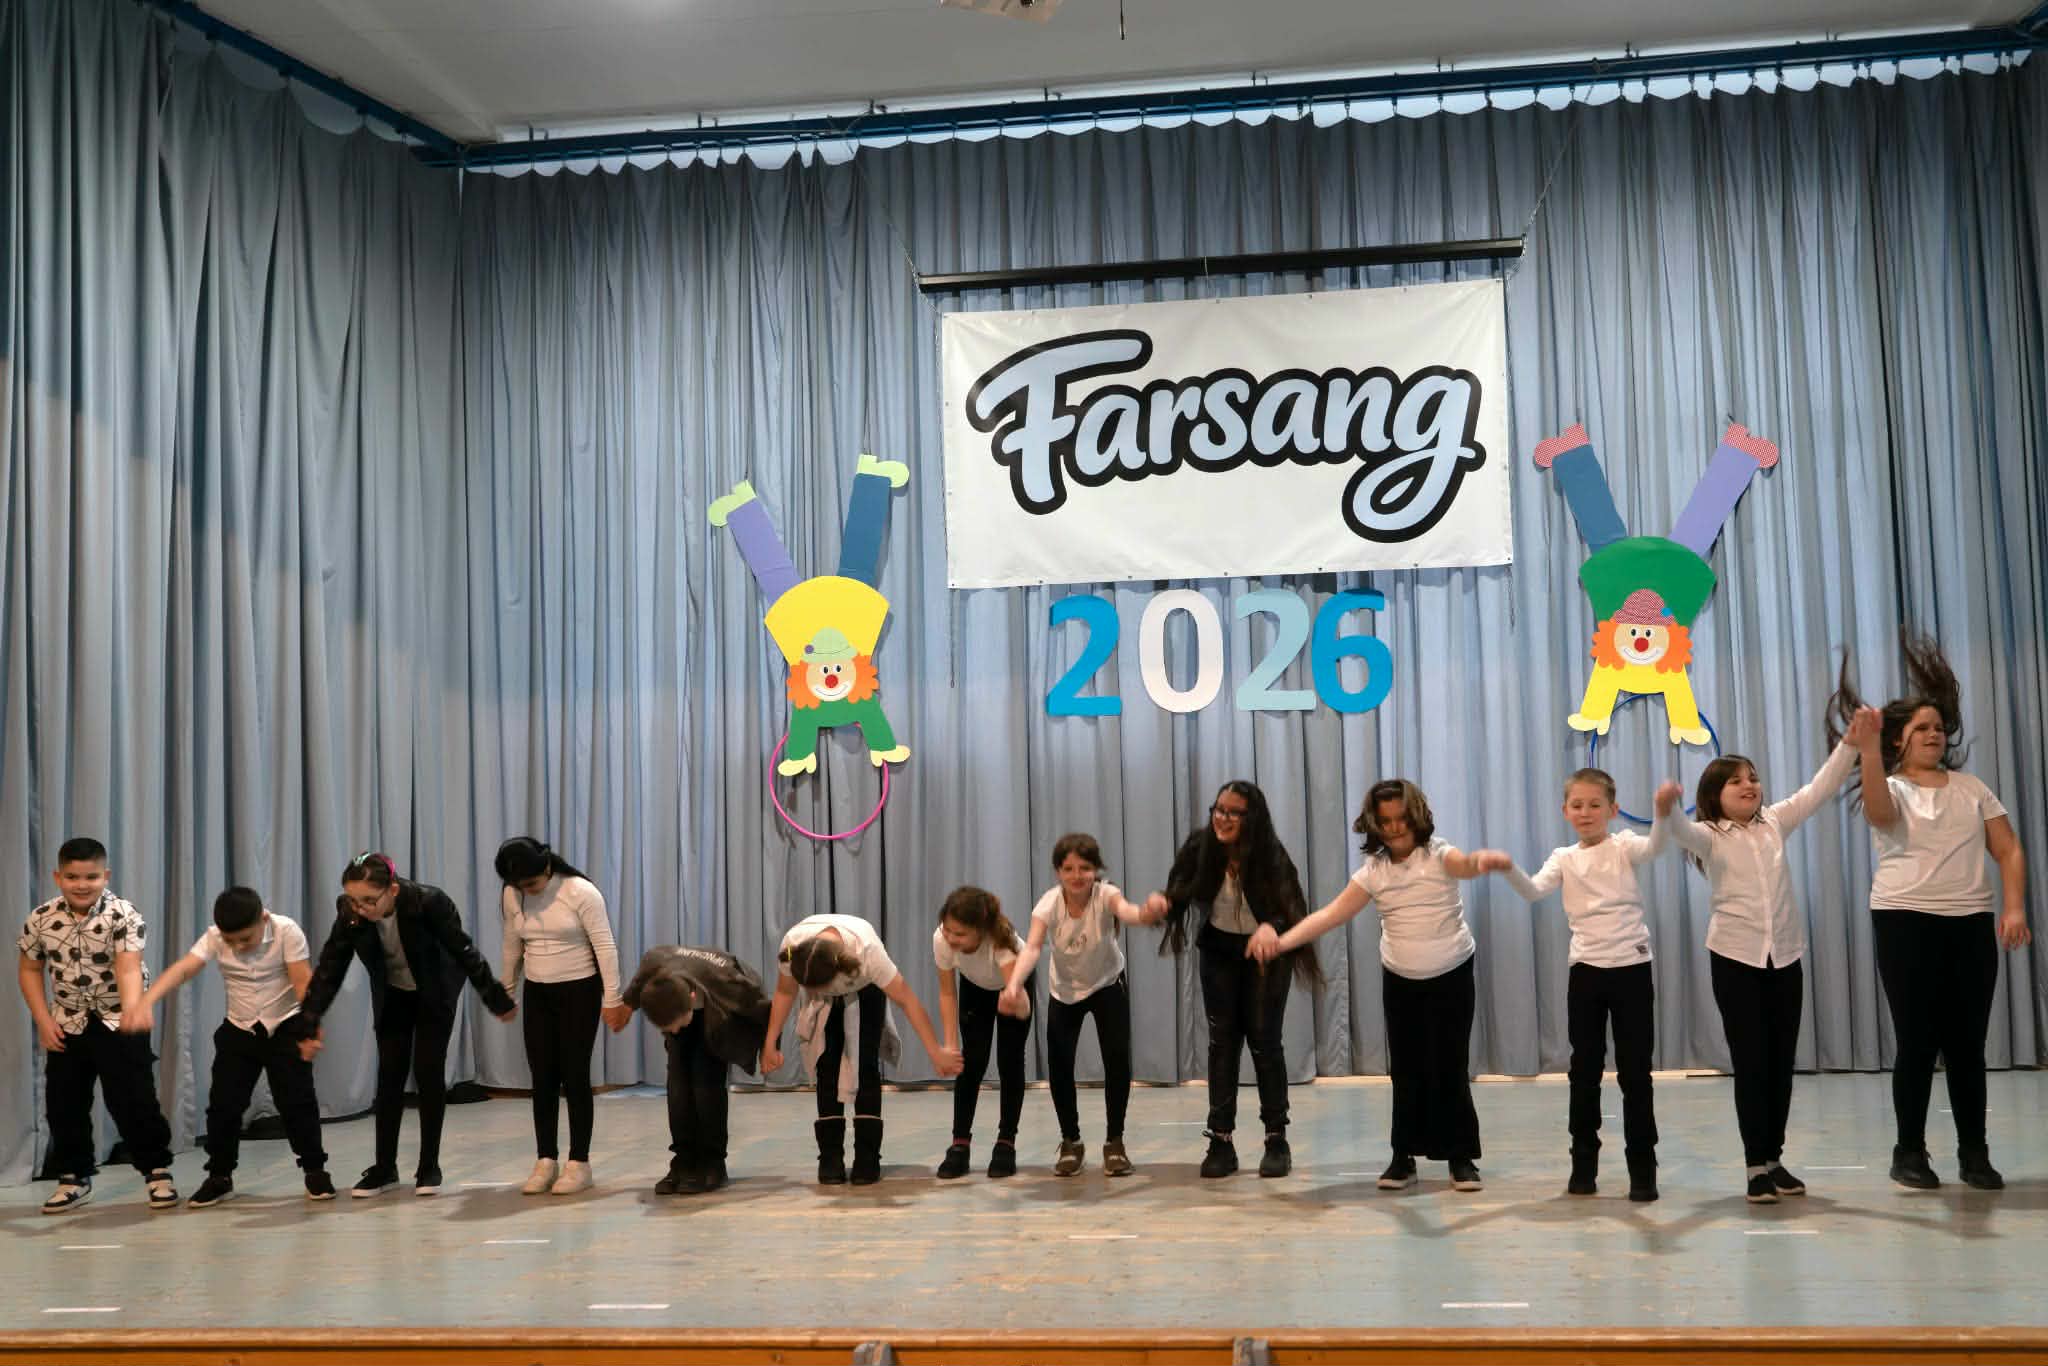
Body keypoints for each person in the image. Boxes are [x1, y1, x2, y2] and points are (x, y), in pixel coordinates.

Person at [1830, 637, 2030, 1190]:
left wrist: (2014, 907)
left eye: (1939, 726)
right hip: (1905, 922)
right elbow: (1878, 813)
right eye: (1921, 728)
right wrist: (1869, 751)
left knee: (1967, 1046)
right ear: (1899, 739)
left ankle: (1974, 1154)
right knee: (1917, 1042)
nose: (1934, 733)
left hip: (1970, 924)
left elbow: (2008, 849)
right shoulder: (1892, 787)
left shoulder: (1973, 789)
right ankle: (1909, 1152)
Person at [1251, 781, 1510, 1192]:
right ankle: (1402, 1157)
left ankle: (1460, 1157)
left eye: (1401, 819)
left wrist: (1481, 861)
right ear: (1374, 824)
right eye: (1385, 821)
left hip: (1452, 972)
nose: (1393, 828)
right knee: (1406, 1069)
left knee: (1450, 1065)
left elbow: (1464, 865)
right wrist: (1281, 943)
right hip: (1401, 977)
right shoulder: (1373, 872)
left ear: (1416, 817)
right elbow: (1331, 915)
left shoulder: (1439, 854)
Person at [1666, 710, 1876, 1203]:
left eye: (1754, 778)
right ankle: (1753, 1166)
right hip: (1734, 959)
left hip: (1784, 958)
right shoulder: (1709, 835)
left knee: (1781, 1063)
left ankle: (1775, 1158)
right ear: (1714, 794)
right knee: (1752, 1063)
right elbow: (1678, 832)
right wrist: (1666, 808)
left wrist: (1849, 744)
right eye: (1736, 781)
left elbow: (1819, 788)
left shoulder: (1776, 822)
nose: (1749, 785)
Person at [1496, 771, 1679, 1201]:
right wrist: (1508, 869)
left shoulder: (1624, 846)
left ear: (1613, 810)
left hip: (1632, 968)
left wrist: (1662, 812)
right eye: (1577, 805)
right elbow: (1533, 890)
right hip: (1586, 973)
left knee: (1636, 1073)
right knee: (1584, 1071)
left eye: (1595, 805)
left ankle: (1642, 1168)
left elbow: (1656, 847)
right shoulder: (1564, 858)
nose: (1586, 812)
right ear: (1565, 811)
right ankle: (1583, 1163)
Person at [301, 851, 516, 1197]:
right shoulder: (350, 913)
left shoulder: (429, 902)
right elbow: (330, 967)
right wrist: (310, 1017)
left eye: (369, 900)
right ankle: (384, 1168)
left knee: (429, 1072)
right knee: (389, 1076)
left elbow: (463, 950)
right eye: (353, 900)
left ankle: (429, 1166)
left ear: (393, 890)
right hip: (394, 993)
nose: (360, 909)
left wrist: (494, 996)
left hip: (435, 991)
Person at [1145, 781, 1317, 1180]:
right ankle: (1220, 1141)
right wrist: (1163, 903)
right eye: (1218, 809)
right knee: (1221, 1044)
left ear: (1251, 818)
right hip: (1220, 951)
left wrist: (1272, 927)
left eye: (1232, 812)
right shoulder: (1200, 846)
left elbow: (1292, 906)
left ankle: (1276, 1139)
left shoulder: (1270, 853)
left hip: (1265, 955)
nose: (1222, 818)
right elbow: (1180, 892)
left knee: (1265, 1042)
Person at [124, 886, 332, 1204]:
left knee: (297, 1103)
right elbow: (185, 968)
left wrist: (311, 1030)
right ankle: (220, 1176)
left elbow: (303, 981)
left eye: (245, 939)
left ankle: (315, 1171)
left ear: (263, 918)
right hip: (239, 1028)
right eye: (230, 940)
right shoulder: (215, 936)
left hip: (286, 1026)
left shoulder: (286, 930)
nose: (238, 946)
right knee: (224, 1107)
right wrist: (146, 1000)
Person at [17, 836, 178, 1213]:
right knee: (64, 1102)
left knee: (133, 1099)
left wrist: (133, 1012)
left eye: (91, 877)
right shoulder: (40, 918)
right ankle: (73, 1176)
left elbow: (128, 968)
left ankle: (156, 1171)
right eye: (72, 877)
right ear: (58, 877)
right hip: (67, 1020)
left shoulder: (123, 913)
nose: (81, 885)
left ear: (105, 876)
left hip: (118, 1017)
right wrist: (43, 1020)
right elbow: (29, 969)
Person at [1001, 834, 1163, 1177]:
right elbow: (1032, 948)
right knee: (1060, 1066)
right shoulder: (1048, 905)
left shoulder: (1106, 895)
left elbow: (1129, 912)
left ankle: (1115, 1142)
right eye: (1069, 869)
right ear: (1058, 872)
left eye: (1085, 868)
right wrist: (1013, 984)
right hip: (1065, 991)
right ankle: (1071, 1141)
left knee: (1117, 1060)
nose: (1077, 876)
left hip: (1107, 983)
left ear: (1096, 870)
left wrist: (1148, 912)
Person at [761, 914, 963, 1186]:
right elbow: (785, 993)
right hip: (822, 997)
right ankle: (830, 1156)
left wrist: (935, 1051)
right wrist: (770, 1043)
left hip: (865, 993)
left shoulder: (868, 955)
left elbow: (908, 1001)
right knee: (826, 1065)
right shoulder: (792, 949)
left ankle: (867, 1156)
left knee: (866, 1066)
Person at [494, 836, 629, 1196]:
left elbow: (605, 945)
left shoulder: (580, 891)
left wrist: (612, 999)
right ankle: (545, 1159)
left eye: (532, 883)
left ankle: (579, 1162)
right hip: (538, 992)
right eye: (519, 884)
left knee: (575, 1075)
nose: (527, 890)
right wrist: (506, 991)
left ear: (547, 867)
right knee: (542, 1078)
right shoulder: (512, 893)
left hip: (579, 991)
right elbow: (512, 943)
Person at [621, 944, 771, 1194]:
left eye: (676, 1026)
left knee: (706, 1087)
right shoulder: (654, 963)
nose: (674, 1031)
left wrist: (770, 1046)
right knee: (678, 1089)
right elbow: (637, 989)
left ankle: (713, 1163)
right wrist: (624, 1006)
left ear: (691, 999)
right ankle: (684, 1161)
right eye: (667, 1029)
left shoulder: (728, 981)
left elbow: (763, 1008)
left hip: (717, 1015)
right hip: (682, 1004)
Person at [931, 887, 1032, 1179]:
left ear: (981, 930)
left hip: (1011, 987)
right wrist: (950, 1045)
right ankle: (959, 1144)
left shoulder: (1002, 941)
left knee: (1009, 1061)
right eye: (948, 930)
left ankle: (1006, 1142)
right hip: (974, 986)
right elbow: (947, 993)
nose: (951, 938)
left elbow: (1020, 1002)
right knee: (971, 1062)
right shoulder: (941, 940)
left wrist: (1014, 999)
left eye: (960, 934)